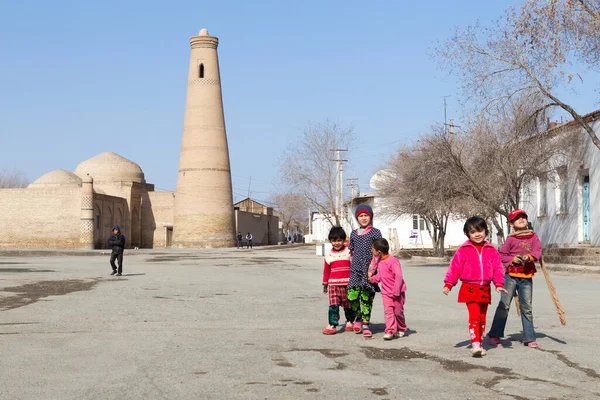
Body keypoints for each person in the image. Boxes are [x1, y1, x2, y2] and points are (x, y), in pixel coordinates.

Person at [443, 216, 507, 357]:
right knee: (474, 316)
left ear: (486, 231)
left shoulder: (491, 249)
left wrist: (498, 284)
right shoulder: (464, 250)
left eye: (480, 230)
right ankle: (476, 344)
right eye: (473, 232)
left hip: (485, 288)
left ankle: (479, 341)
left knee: (482, 317)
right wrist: (449, 283)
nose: (477, 234)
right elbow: (455, 268)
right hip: (469, 288)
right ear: (467, 234)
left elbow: (497, 268)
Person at [487, 209, 543, 348]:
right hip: (510, 277)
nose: (522, 219)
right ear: (512, 224)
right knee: (504, 306)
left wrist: (529, 257)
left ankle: (529, 337)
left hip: (526, 277)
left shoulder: (533, 236)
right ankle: (494, 334)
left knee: (527, 307)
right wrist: (513, 259)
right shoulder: (511, 238)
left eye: (523, 217)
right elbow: (502, 255)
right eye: (518, 218)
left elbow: (538, 250)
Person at [347, 204, 382, 338]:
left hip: (369, 271)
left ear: (371, 217)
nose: (363, 218)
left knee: (367, 298)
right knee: (351, 296)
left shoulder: (375, 232)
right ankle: (358, 317)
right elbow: (351, 252)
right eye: (360, 216)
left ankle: (366, 324)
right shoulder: (353, 234)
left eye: (366, 215)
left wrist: (372, 270)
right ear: (357, 218)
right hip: (355, 270)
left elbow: (378, 253)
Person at [368, 238, 407, 340]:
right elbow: (381, 275)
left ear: (379, 252)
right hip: (386, 293)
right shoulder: (380, 262)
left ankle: (401, 328)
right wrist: (372, 279)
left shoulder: (393, 261)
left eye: (373, 250)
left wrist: (396, 291)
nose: (372, 252)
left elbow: (398, 276)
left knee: (398, 312)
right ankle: (390, 331)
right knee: (388, 312)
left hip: (397, 293)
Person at [322, 226, 355, 335]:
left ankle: (350, 321)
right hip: (333, 285)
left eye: (339, 240)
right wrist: (325, 283)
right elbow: (326, 271)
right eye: (334, 241)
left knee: (348, 304)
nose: (337, 243)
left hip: (348, 284)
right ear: (330, 241)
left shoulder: (349, 252)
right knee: (333, 305)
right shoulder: (329, 255)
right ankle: (332, 324)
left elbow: (353, 266)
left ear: (344, 240)